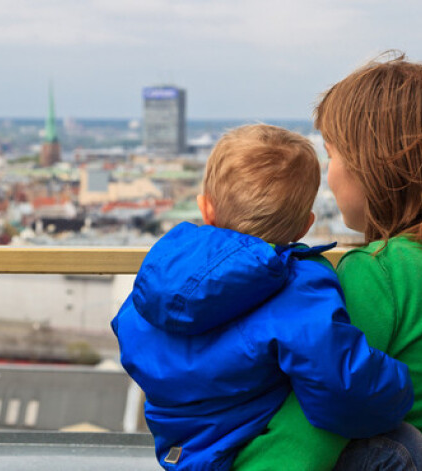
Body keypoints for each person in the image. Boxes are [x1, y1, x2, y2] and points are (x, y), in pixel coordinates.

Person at [111, 123, 413, 471]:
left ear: (205, 209)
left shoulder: (159, 275)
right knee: (403, 447)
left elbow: (132, 337)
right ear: (305, 225)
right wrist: (401, 387)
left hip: (182, 450)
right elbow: (344, 388)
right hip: (252, 448)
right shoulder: (298, 285)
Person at [234, 54, 422, 471]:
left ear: (373, 165)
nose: (329, 175)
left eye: (332, 155)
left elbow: (316, 423)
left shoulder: (380, 273)